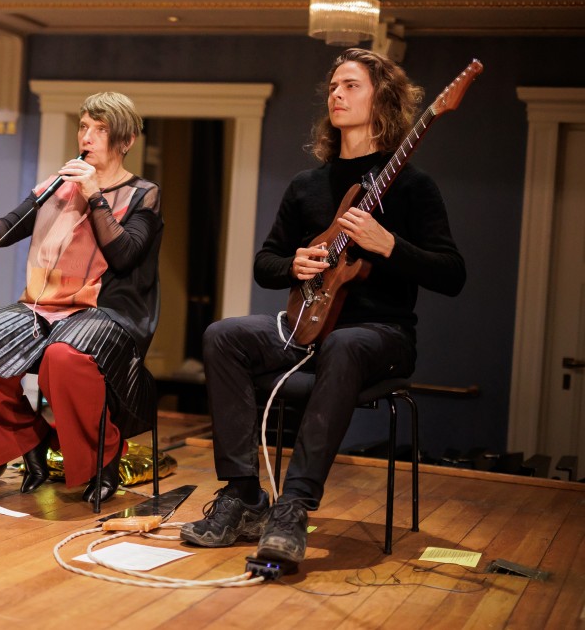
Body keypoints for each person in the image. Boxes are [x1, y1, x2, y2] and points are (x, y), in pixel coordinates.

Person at [180, 48, 465, 567]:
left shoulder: (414, 187)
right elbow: (264, 262)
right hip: (305, 326)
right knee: (223, 334)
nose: (336, 93)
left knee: (346, 342)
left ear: (383, 100)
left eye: (351, 85)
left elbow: (452, 274)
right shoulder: (307, 185)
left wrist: (388, 246)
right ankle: (244, 496)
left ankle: (293, 508)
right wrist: (296, 264)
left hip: (382, 336)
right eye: (333, 86)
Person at [0, 92, 162, 505]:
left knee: (62, 358)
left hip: (106, 312)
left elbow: (123, 255)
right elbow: (12, 224)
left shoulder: (143, 194)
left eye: (100, 130)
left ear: (126, 141)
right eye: (84, 126)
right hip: (42, 307)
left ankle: (102, 457)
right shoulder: (55, 186)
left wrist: (95, 194)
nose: (88, 136)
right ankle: (31, 441)